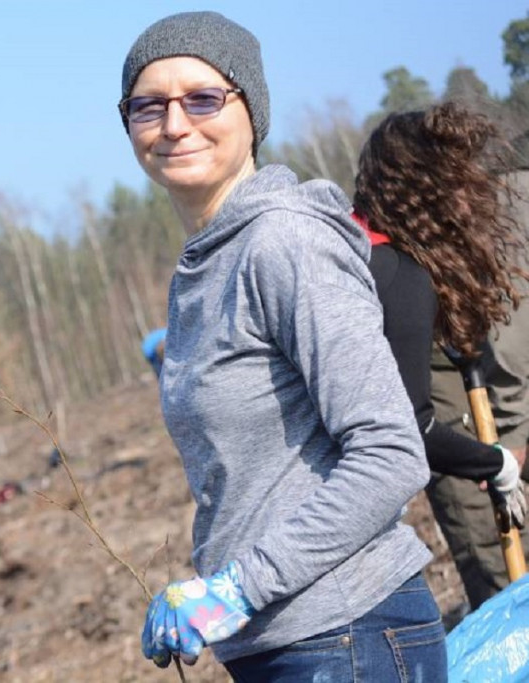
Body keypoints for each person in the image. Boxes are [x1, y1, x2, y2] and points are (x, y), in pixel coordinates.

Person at [120, 12, 446, 680]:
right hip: (284, 641)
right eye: (148, 106)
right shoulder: (206, 263)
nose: (174, 124)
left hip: (348, 631)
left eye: (203, 98)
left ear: (251, 110)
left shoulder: (284, 241)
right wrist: (216, 589)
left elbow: (390, 453)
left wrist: (238, 586)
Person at [351, 103, 528, 556]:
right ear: (422, 190)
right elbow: (412, 425)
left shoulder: (352, 243)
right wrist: (498, 464)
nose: (470, 198)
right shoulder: (396, 274)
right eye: (457, 182)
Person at [403, 136, 529, 611]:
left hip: (495, 341)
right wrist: (510, 447)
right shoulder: (513, 211)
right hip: (445, 354)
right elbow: (512, 340)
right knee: (488, 530)